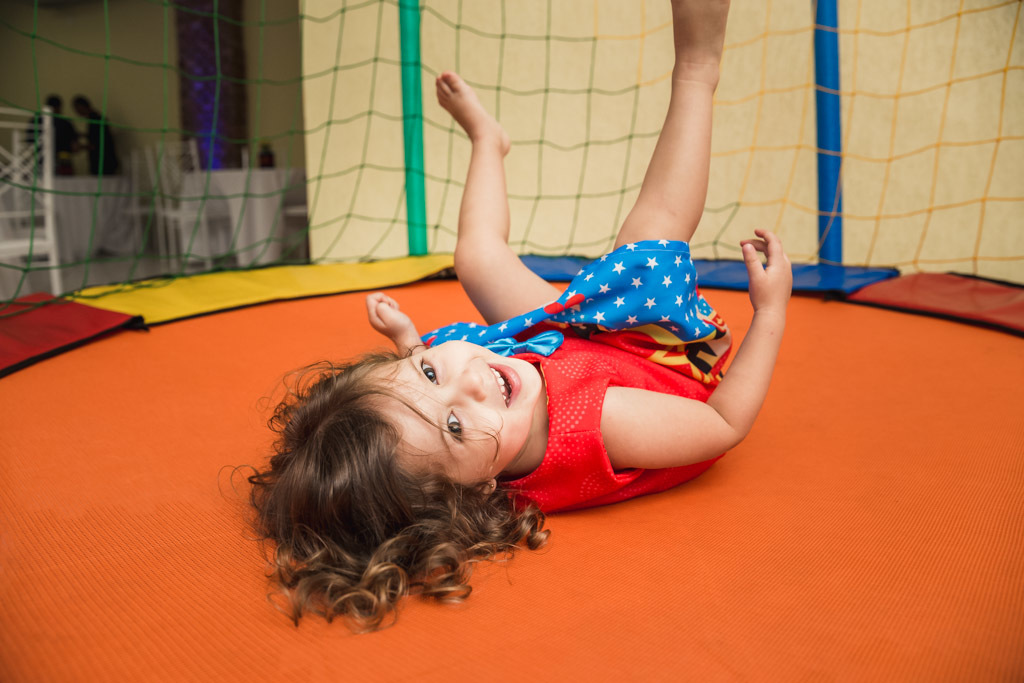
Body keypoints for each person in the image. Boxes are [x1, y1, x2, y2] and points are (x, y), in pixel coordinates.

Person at [249, 0, 791, 630]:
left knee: (475, 256)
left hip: (554, 354)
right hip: (652, 360)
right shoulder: (606, 424)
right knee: (648, 240)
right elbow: (722, 423)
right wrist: (770, 311)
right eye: (454, 425)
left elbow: (436, 408)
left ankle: (489, 140)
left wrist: (407, 344)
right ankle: (697, 64)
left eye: (426, 372)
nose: (471, 381)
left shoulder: (481, 411)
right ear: (474, 494)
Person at [25, 95, 79, 175]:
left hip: (41, 160)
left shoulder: (36, 120)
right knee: (64, 185)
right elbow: (74, 146)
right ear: (59, 107)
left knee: (42, 185)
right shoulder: (65, 122)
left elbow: (30, 142)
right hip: (62, 162)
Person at [72, 96, 120, 176]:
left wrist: (81, 147)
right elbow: (95, 137)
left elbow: (98, 143)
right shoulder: (95, 118)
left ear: (81, 106)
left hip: (103, 163)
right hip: (104, 162)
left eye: (76, 108)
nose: (76, 111)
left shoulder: (95, 120)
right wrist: (83, 135)